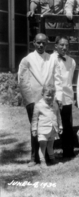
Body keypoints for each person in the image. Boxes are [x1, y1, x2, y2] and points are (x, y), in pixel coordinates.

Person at [18, 33, 56, 167]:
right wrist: (30, 101)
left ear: (47, 44)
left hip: (48, 100)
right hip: (33, 99)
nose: (41, 45)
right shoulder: (27, 59)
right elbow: (23, 81)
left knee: (47, 126)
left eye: (44, 43)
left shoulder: (51, 59)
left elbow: (55, 78)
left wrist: (53, 98)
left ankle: (47, 155)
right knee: (35, 127)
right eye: (38, 42)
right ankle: (34, 157)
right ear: (33, 43)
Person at [52, 36, 76, 158]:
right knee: (52, 124)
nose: (64, 47)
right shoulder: (51, 60)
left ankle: (68, 151)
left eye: (66, 45)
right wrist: (58, 98)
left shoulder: (72, 61)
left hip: (67, 98)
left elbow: (68, 81)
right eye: (61, 45)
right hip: (54, 98)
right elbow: (55, 81)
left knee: (67, 124)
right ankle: (49, 153)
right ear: (56, 45)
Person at [31, 85, 62, 168]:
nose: (50, 97)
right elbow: (34, 119)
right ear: (42, 94)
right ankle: (42, 161)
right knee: (43, 146)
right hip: (43, 129)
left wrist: (60, 126)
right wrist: (34, 129)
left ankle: (52, 159)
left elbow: (58, 115)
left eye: (52, 95)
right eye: (47, 95)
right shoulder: (38, 105)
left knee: (50, 146)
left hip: (53, 129)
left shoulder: (55, 104)